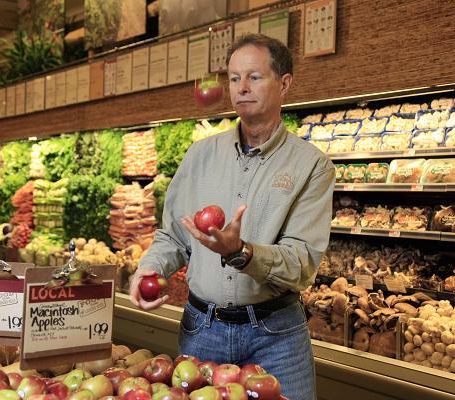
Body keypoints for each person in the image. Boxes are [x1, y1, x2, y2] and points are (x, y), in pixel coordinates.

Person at [130, 34, 334, 400]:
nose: (241, 87)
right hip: (201, 329)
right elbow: (174, 236)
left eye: (254, 77)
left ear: (284, 83)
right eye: (234, 78)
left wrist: (242, 252)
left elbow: (302, 262)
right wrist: (151, 268)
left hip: (277, 337)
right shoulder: (200, 156)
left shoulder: (311, 165)